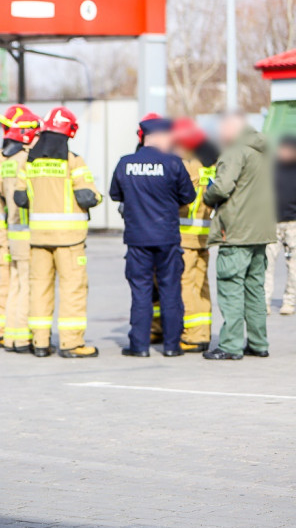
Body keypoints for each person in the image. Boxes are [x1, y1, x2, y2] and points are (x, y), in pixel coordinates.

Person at [14, 106, 102, 358]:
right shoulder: (73, 161)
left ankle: (40, 343)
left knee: (39, 289)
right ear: (69, 131)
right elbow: (87, 196)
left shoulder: (29, 162)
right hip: (70, 239)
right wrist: (98, 196)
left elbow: (20, 198)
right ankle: (71, 343)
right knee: (73, 289)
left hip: (38, 238)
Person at [109, 114, 195, 357]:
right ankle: (171, 346)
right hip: (167, 238)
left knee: (141, 292)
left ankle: (139, 346)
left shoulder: (125, 163)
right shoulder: (174, 163)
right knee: (170, 291)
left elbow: (115, 194)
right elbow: (188, 196)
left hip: (137, 239)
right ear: (158, 136)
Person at [203, 113, 276, 360]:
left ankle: (231, 346)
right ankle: (258, 343)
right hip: (261, 231)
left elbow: (222, 187)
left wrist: (207, 195)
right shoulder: (264, 150)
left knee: (231, 287)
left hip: (236, 232)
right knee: (255, 289)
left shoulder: (236, 151)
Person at [149, 117, 218, 351]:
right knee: (201, 284)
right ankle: (203, 331)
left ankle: (191, 336)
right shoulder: (210, 163)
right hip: (203, 233)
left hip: (183, 235)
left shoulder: (184, 163)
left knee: (185, 285)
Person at [0, 104, 41, 352]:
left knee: (10, 283)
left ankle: (5, 331)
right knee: (20, 283)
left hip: (8, 230)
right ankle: (15, 334)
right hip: (20, 231)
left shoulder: (1, 160)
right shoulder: (22, 160)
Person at [264, 135, 296, 315]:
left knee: (293, 266)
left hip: (293, 223)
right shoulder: (271, 167)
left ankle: (289, 301)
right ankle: (264, 301)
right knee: (267, 263)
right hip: (272, 222)